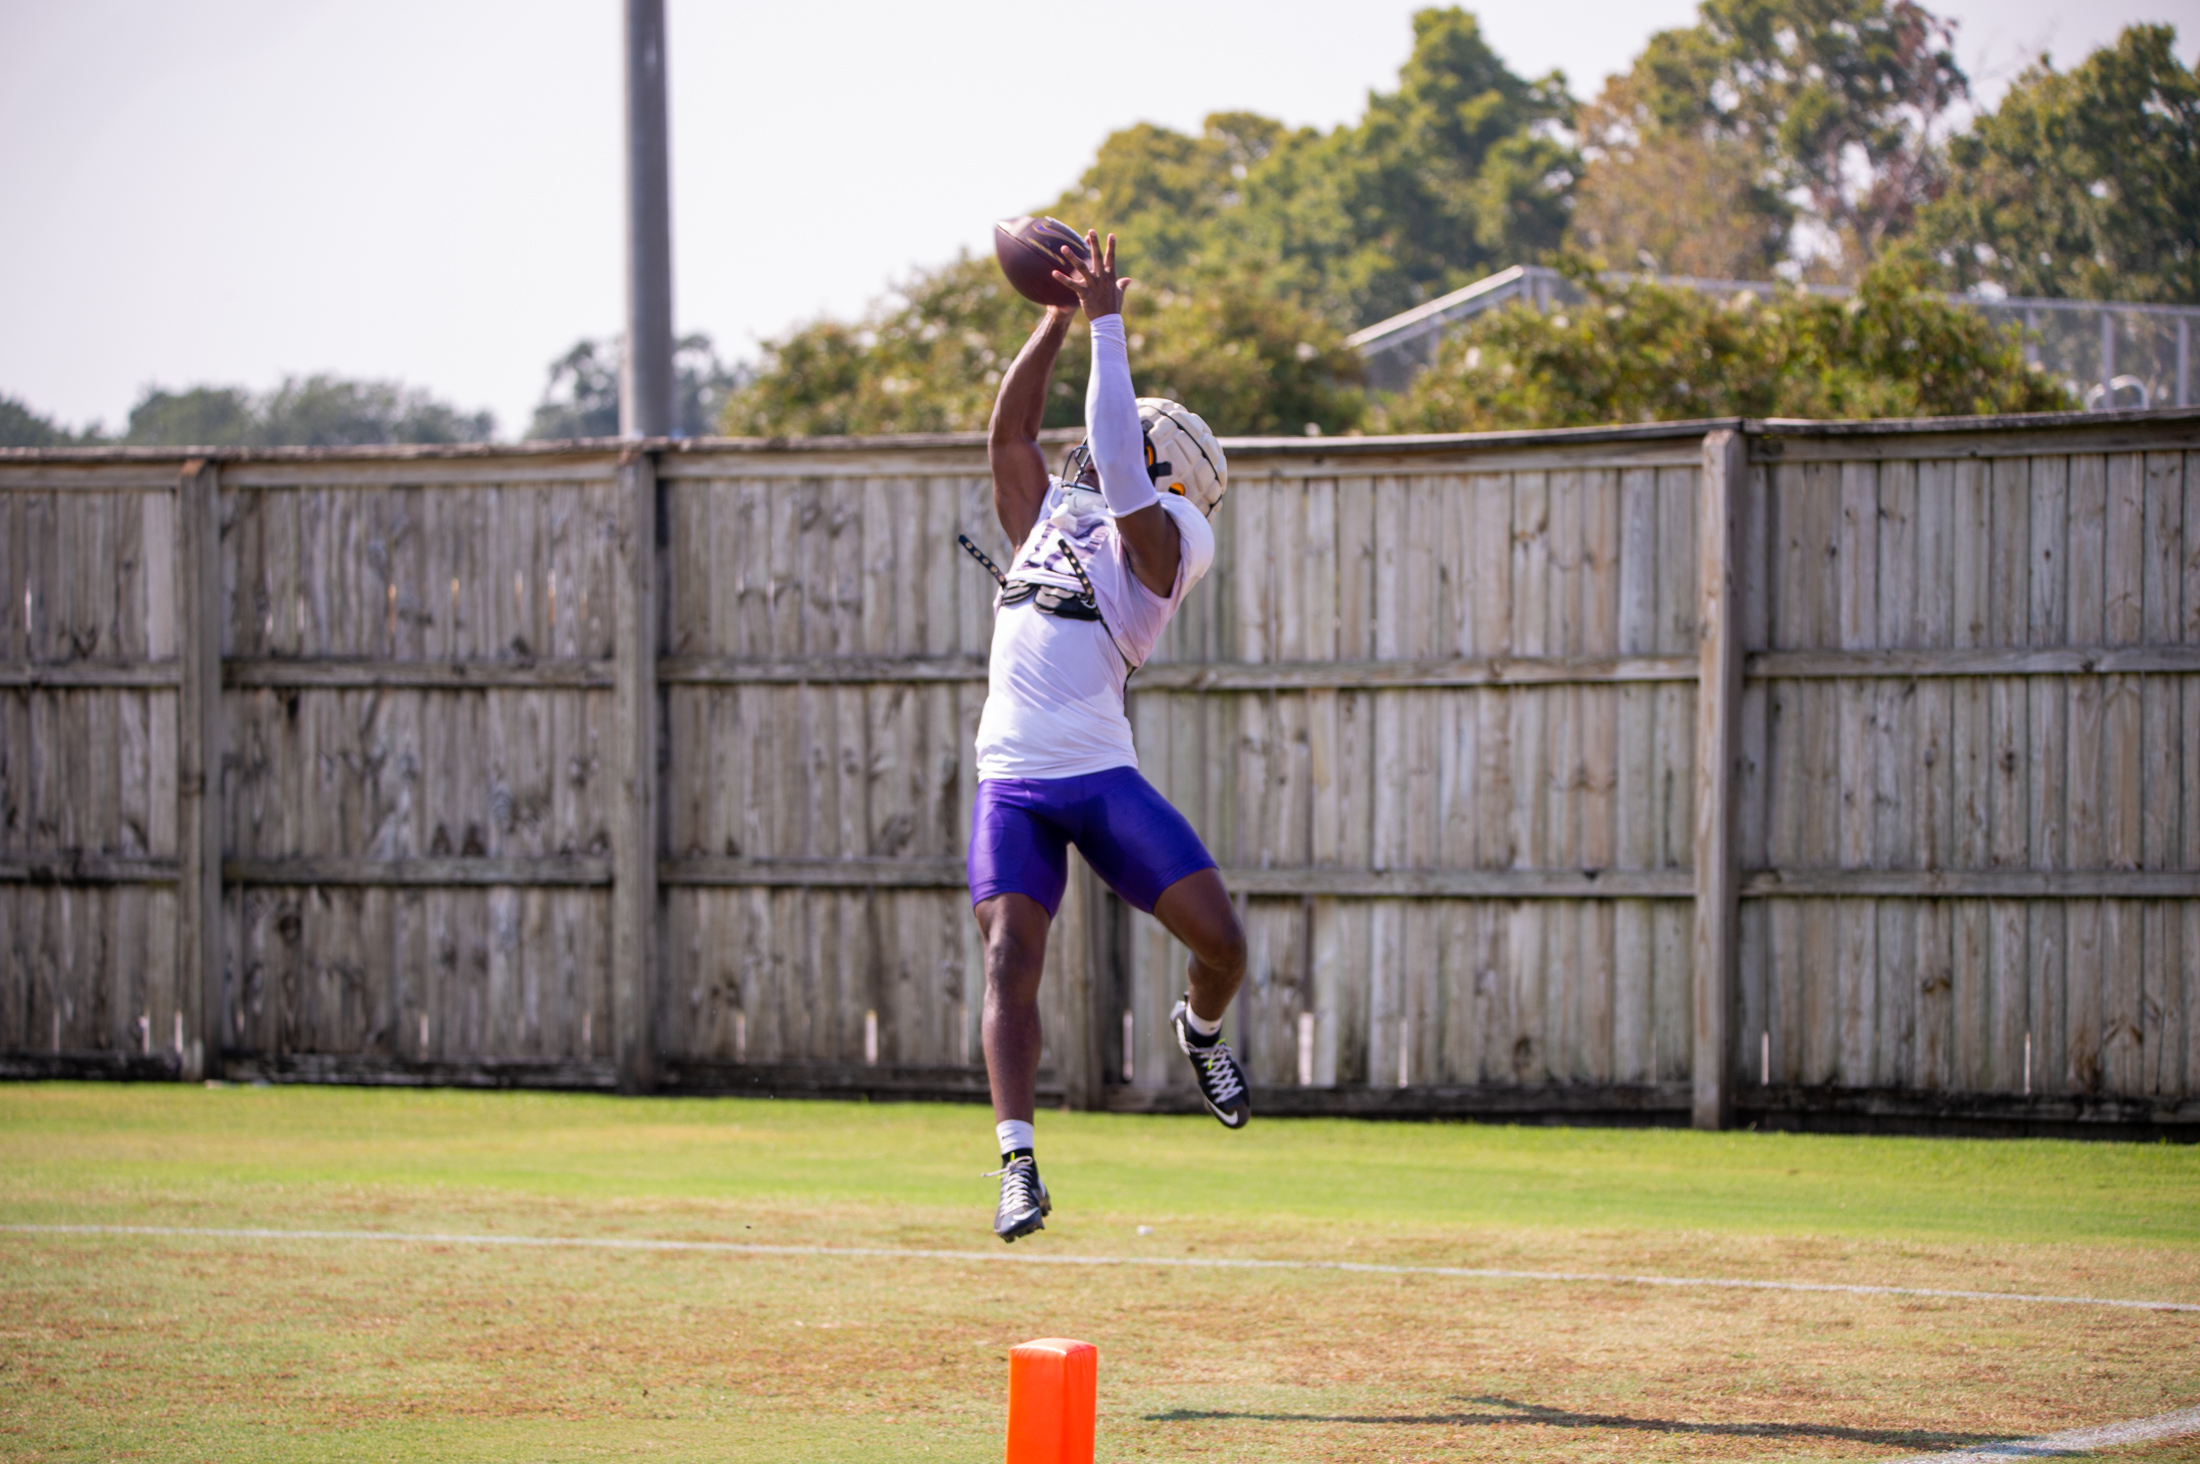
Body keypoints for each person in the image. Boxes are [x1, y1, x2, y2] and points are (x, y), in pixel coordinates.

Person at [969, 229, 1250, 1243]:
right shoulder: (1050, 519)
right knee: (1010, 960)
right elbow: (1008, 440)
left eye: (1123, 439)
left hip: (1095, 774)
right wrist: (1053, 322)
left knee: (1223, 943)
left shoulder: (1173, 541)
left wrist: (1109, 328)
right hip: (1012, 779)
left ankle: (1200, 1028)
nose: (1089, 452)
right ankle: (1017, 1162)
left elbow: (1125, 479)